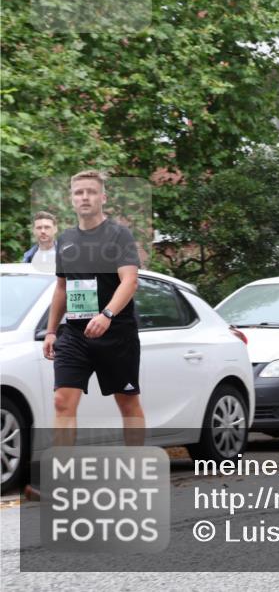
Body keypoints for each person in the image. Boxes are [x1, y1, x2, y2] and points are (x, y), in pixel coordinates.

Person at [42, 170, 144, 448]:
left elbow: (130, 281)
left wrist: (107, 314)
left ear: (103, 197)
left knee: (127, 402)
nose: (85, 197)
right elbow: (61, 288)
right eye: (79, 192)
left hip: (116, 332)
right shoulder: (65, 240)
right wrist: (51, 331)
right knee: (62, 401)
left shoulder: (119, 235)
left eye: (91, 192)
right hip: (75, 334)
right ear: (71, 199)